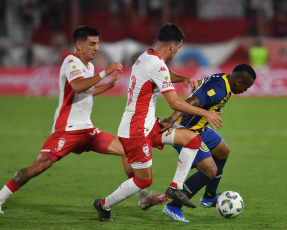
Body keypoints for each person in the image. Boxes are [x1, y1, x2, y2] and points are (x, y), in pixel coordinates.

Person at [0, 25, 166, 214]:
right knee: (39, 166)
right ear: (79, 45)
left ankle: (143, 197)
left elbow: (87, 91)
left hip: (87, 130)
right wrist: (105, 72)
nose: (96, 48)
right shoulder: (71, 61)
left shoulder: (88, 66)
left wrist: (108, 86)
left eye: (97, 43)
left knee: (127, 150)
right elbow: (78, 86)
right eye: (92, 43)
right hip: (68, 129)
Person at [94, 23, 223, 222]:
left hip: (150, 124)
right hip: (136, 130)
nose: (178, 51)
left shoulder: (147, 56)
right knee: (143, 181)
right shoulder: (156, 64)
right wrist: (205, 113)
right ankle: (103, 204)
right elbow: (174, 102)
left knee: (191, 139)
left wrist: (183, 77)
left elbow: (163, 73)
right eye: (179, 48)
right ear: (172, 45)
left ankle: (176, 188)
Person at [161, 64, 256, 222]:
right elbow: (190, 101)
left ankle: (209, 197)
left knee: (223, 152)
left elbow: (200, 87)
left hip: (200, 128)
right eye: (246, 87)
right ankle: (174, 206)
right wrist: (171, 119)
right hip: (186, 130)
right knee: (210, 171)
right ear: (238, 81)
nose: (245, 91)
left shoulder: (222, 78)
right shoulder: (219, 89)